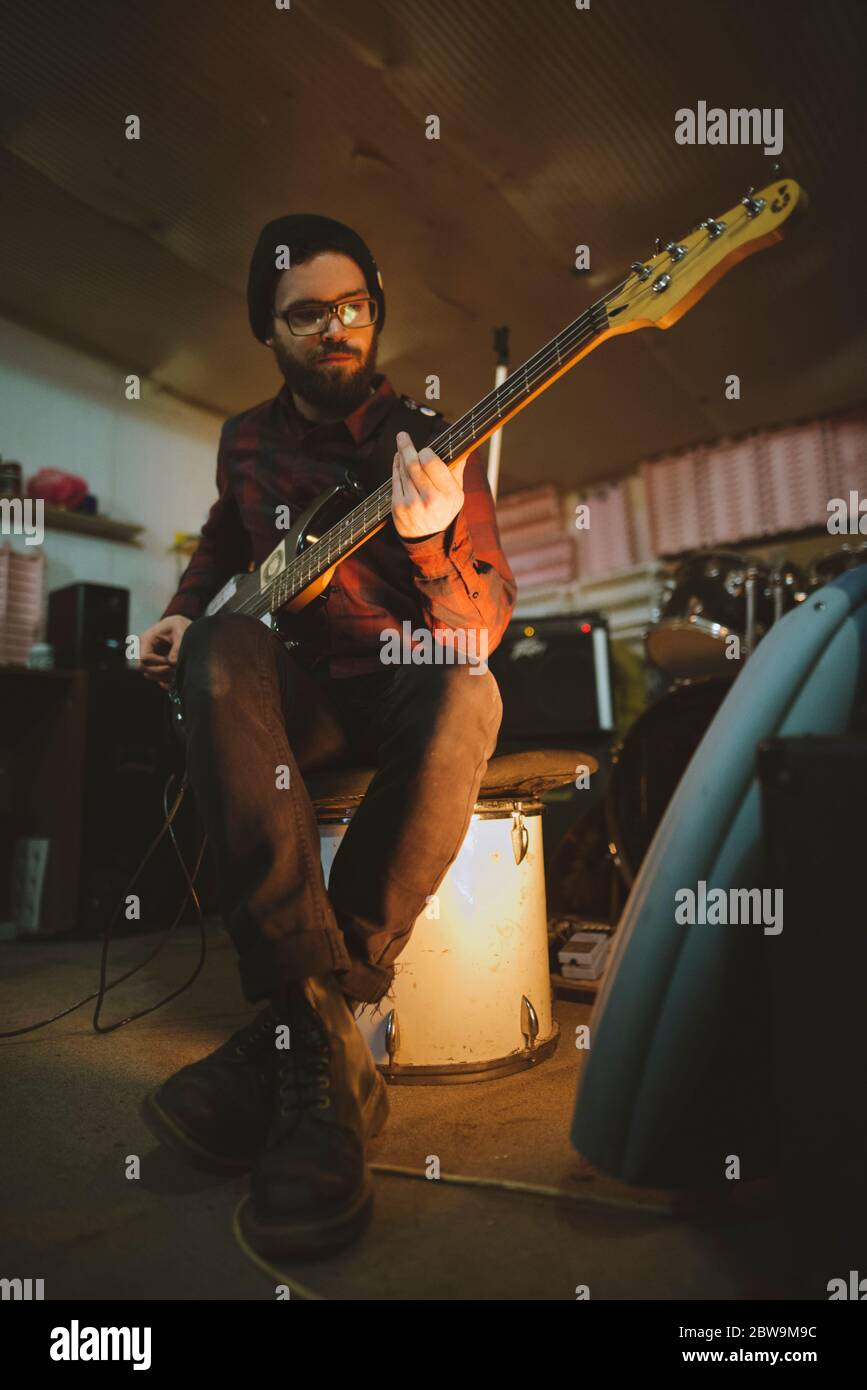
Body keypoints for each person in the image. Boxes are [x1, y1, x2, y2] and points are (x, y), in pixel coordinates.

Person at [137, 214, 516, 1257]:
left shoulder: (436, 435)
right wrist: (185, 606)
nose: (337, 326)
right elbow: (225, 536)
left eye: (354, 306)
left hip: (400, 682)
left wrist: (433, 543)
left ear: (375, 312)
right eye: (308, 311)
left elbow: (483, 622)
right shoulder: (244, 441)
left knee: (465, 687)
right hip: (291, 696)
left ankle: (305, 1032)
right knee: (218, 649)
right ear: (270, 327)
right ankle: (322, 1039)